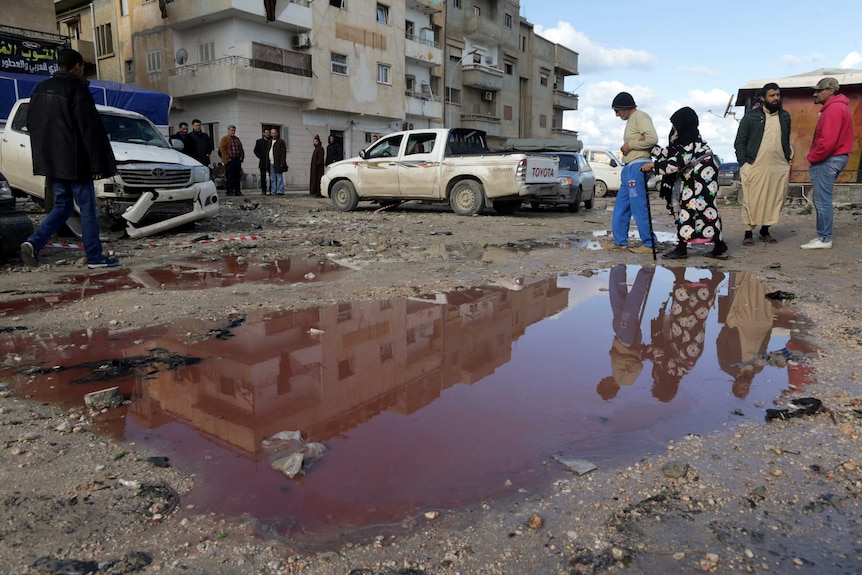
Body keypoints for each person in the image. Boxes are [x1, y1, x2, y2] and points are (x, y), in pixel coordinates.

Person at [20, 48, 119, 269]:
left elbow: (31, 124)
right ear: (77, 66)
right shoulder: (77, 89)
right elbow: (88, 130)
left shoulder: (40, 89)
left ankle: (33, 242)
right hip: (76, 162)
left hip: (52, 161)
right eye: (83, 67)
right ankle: (95, 257)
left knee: (63, 205)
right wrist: (97, 164)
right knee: (87, 208)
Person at [642, 107, 728, 260]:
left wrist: (653, 167)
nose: (673, 128)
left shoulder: (690, 144)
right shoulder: (687, 142)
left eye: (675, 125)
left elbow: (676, 163)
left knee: (694, 208)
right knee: (703, 208)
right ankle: (718, 244)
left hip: (701, 178)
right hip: (697, 178)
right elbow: (672, 156)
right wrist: (651, 148)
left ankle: (682, 246)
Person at [645, 267, 724, 402]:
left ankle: (702, 278)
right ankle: (682, 276)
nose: (654, 382)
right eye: (655, 384)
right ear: (663, 385)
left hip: (690, 338)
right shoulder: (671, 371)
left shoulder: (682, 370)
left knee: (698, 309)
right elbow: (659, 354)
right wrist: (645, 353)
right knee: (683, 309)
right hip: (684, 335)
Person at [733, 83, 792, 245]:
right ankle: (747, 233)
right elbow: (740, 142)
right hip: (755, 164)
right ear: (763, 97)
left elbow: (786, 139)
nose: (775, 98)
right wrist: (743, 163)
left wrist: (788, 158)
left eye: (777, 95)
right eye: (772, 95)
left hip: (778, 165)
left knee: (774, 197)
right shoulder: (751, 117)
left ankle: (765, 231)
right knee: (751, 199)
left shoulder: (785, 116)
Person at [801, 77, 854, 249]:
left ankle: (824, 238)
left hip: (829, 159)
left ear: (831, 90)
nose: (815, 94)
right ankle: (823, 237)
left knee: (822, 199)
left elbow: (827, 142)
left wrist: (812, 157)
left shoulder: (833, 109)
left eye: (819, 90)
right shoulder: (839, 107)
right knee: (822, 198)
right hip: (835, 157)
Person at [608, 92, 658, 254]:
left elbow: (652, 138)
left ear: (625, 108)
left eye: (617, 110)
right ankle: (620, 241)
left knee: (639, 207)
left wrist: (630, 145)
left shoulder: (641, 117)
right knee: (621, 207)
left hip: (638, 166)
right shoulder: (632, 121)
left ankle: (650, 243)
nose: (616, 114)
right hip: (629, 167)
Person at [597, 265, 654, 400]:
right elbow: (637, 366)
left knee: (616, 298)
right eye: (603, 382)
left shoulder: (616, 375)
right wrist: (617, 357)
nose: (603, 378)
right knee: (632, 305)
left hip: (620, 335)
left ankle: (617, 268)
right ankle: (647, 271)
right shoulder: (625, 381)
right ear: (608, 386)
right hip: (628, 339)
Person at [218, 125, 245, 196]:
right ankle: (229, 191)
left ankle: (237, 191)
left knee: (237, 176)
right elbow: (222, 149)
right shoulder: (224, 139)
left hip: (237, 160)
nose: (233, 132)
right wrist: (227, 157)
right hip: (229, 160)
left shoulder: (237, 139)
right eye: (231, 130)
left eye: (234, 130)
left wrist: (241, 157)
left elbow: (241, 148)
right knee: (230, 176)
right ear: (228, 130)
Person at [268, 127, 288, 196]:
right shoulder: (270, 142)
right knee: (272, 178)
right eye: (272, 133)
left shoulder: (280, 142)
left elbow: (283, 153)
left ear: (277, 133)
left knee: (279, 177)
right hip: (271, 162)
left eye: (275, 133)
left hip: (278, 163)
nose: (274, 134)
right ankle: (273, 191)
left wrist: (282, 162)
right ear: (271, 134)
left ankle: (280, 191)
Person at [253, 128, 271, 194]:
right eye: (266, 132)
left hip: (270, 161)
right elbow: (255, 150)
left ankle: (271, 190)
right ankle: (264, 190)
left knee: (271, 177)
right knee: (263, 177)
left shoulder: (271, 141)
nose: (267, 134)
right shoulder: (259, 141)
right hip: (263, 162)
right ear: (263, 133)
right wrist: (260, 156)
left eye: (268, 132)